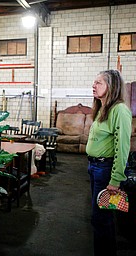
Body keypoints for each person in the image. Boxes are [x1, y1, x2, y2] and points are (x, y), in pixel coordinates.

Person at [86, 69, 132, 256]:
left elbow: (122, 148)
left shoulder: (119, 110)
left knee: (101, 219)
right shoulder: (102, 109)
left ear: (111, 87)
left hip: (105, 170)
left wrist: (116, 179)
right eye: (94, 82)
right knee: (101, 218)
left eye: (99, 83)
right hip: (95, 167)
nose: (93, 86)